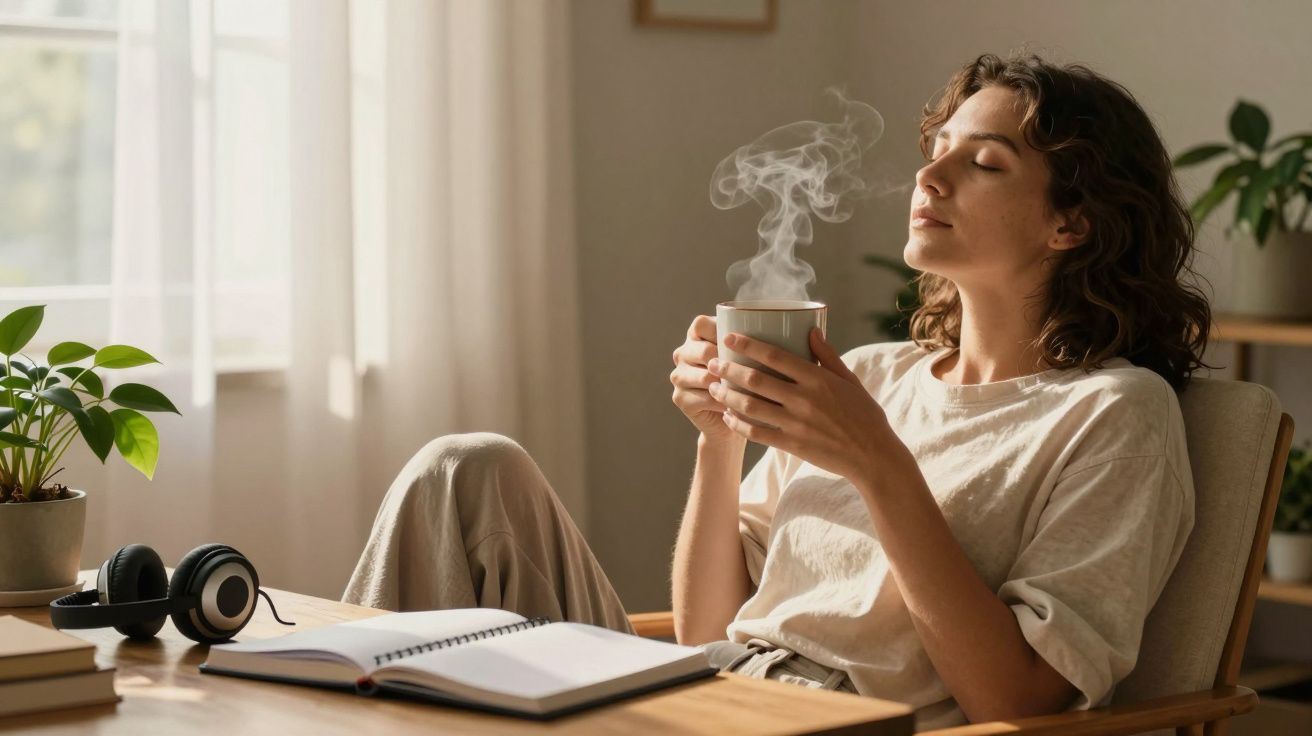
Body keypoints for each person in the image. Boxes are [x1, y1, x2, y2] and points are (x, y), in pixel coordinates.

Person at [343, 52, 1212, 729]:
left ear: (1074, 222)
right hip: (707, 698)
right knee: (466, 470)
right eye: (935, 152)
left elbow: (1017, 703)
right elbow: (706, 631)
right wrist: (718, 438)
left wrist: (881, 466)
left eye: (983, 163)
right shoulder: (871, 375)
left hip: (834, 726)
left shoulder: (1114, 414)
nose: (931, 178)